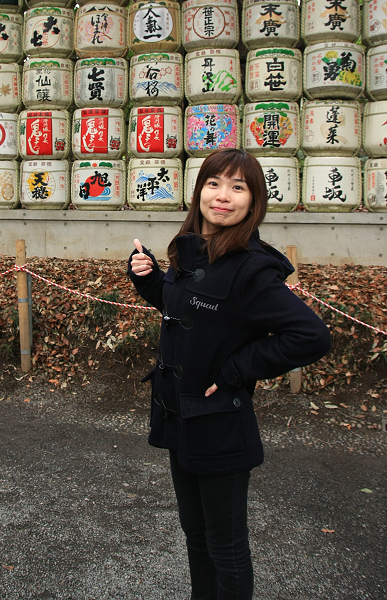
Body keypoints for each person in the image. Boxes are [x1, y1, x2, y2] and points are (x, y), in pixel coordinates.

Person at [127, 148, 331, 600]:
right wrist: (149, 281)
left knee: (227, 546)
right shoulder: (191, 251)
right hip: (180, 416)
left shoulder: (251, 268)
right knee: (195, 537)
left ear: (253, 201)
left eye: (238, 187)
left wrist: (239, 368)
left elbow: (311, 336)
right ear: (198, 190)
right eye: (214, 184)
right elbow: (192, 314)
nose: (223, 196)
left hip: (219, 425)